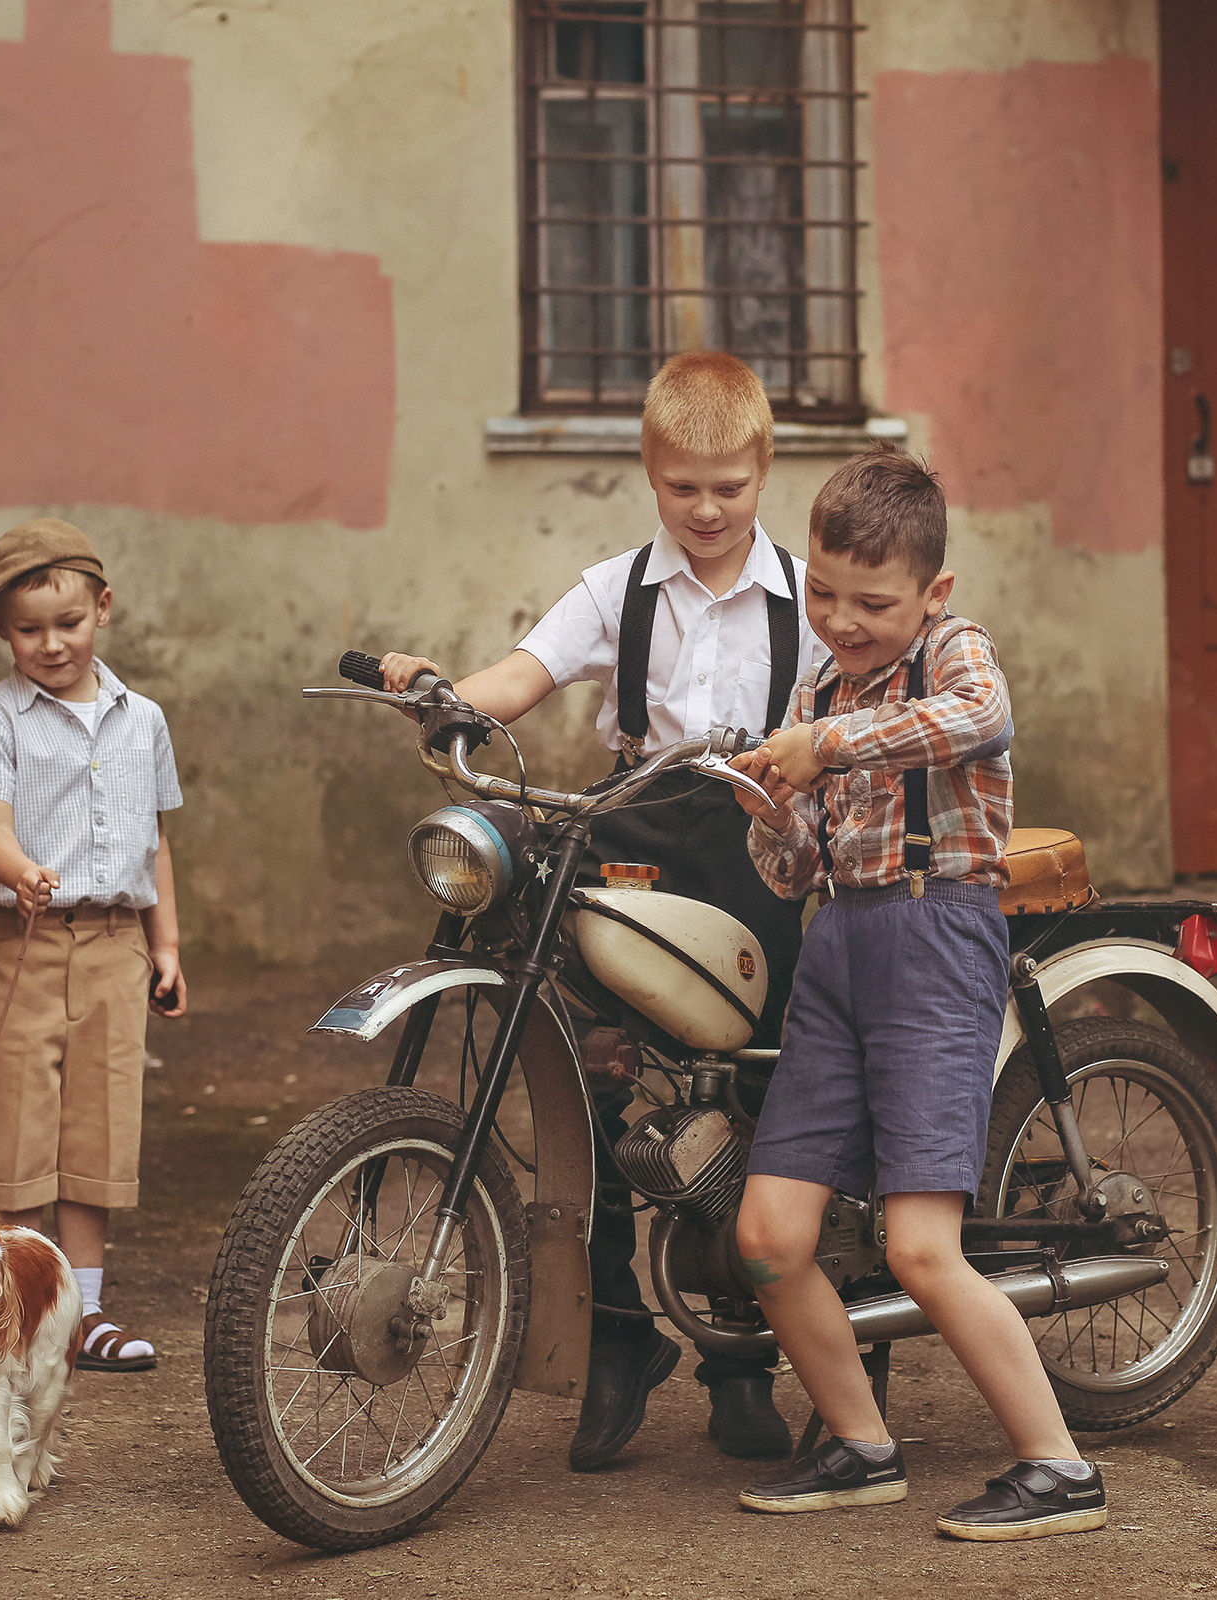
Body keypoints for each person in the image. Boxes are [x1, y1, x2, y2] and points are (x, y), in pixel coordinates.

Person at [378, 351, 825, 1470]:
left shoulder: (809, 600)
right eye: (685, 488)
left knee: (752, 1093)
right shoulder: (615, 590)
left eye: (729, 485)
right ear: (650, 475)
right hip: (632, 845)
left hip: (754, 863)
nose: (708, 508)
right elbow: (519, 678)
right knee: (602, 1081)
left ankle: (742, 1357)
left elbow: (854, 714)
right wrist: (443, 698)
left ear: (763, 468)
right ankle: (622, 1335)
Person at [725, 449, 1107, 1540]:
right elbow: (792, 872)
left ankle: (1058, 1467)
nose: (843, 619)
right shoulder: (818, 689)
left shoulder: (953, 647)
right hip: (838, 946)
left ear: (931, 592)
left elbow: (980, 717)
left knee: (920, 1246)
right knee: (767, 1236)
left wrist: (824, 747)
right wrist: (770, 804)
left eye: (872, 601)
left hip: (938, 937)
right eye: (826, 594)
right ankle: (858, 1442)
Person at [0, 517, 187, 1374]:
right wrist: (19, 871)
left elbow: (155, 840)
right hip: (21, 940)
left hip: (117, 945)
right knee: (13, 1125)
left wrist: (166, 946)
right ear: (4, 631)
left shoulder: (144, 720)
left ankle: (82, 1312)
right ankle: (2, 1309)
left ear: (104, 610)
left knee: (100, 1121)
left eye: (68, 623)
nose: (50, 644)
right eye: (27, 629)